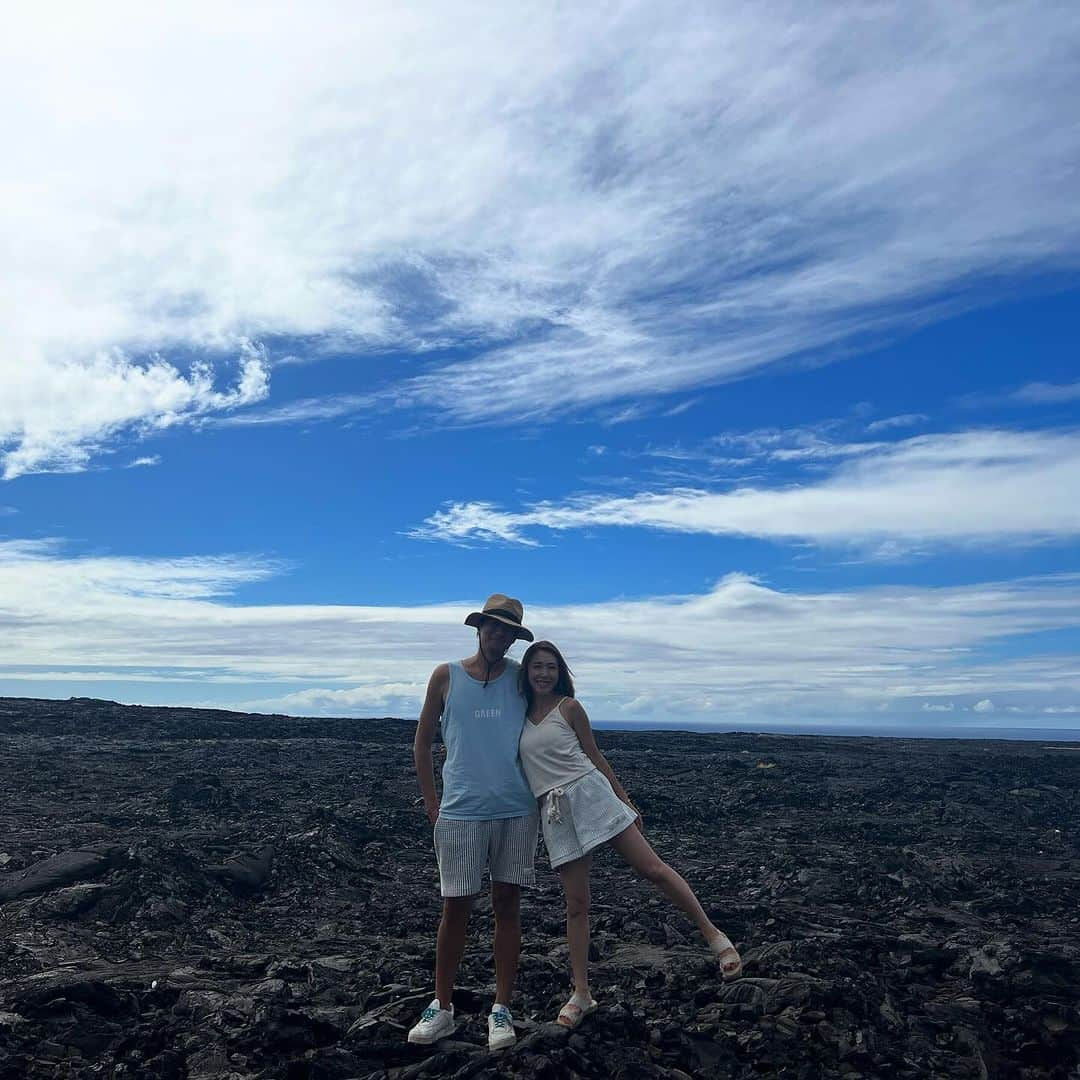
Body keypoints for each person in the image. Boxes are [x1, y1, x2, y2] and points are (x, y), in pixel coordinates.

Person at [517, 640, 742, 1028]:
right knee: (576, 904)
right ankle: (582, 993)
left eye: (551, 667)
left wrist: (625, 801)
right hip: (555, 813)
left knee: (652, 868)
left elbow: (595, 755)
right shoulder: (517, 715)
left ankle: (715, 937)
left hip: (590, 794)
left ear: (561, 672)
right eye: (537, 666)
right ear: (526, 671)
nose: (544, 673)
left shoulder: (568, 708)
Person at [408, 594, 539, 1051]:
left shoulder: (523, 680)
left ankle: (500, 1009)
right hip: (461, 811)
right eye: (493, 628)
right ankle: (441, 1006)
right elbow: (422, 743)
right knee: (456, 907)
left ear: (514, 637)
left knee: (507, 904)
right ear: (479, 627)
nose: (498, 636)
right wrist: (432, 804)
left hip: (517, 809)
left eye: (508, 631)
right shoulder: (447, 676)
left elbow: (553, 724)